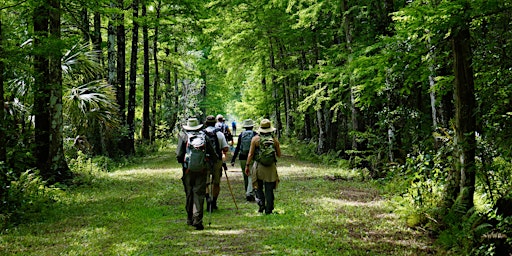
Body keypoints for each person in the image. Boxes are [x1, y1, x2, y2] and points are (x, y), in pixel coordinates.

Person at [176, 117, 218, 230]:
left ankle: (190, 218)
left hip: (187, 170)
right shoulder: (204, 136)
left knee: (189, 192)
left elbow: (179, 155)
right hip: (202, 169)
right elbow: (213, 153)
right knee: (199, 193)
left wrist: (184, 162)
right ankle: (197, 220)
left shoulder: (183, 136)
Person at [245, 119, 282, 214]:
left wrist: (247, 165)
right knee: (269, 188)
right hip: (270, 167)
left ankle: (261, 205)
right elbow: (279, 154)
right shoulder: (274, 140)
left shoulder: (255, 139)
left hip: (259, 166)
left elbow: (250, 154)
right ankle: (269, 209)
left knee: (258, 186)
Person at [203, 115, 229, 211]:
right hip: (217, 160)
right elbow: (225, 148)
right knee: (216, 182)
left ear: (206, 123)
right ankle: (214, 202)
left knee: (205, 182)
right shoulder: (220, 134)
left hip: (205, 160)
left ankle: (207, 199)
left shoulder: (202, 133)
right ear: (215, 123)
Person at [231, 119, 258, 201]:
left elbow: (238, 147)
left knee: (245, 175)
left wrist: (233, 159)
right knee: (251, 175)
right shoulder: (255, 134)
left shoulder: (241, 135)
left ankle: (247, 191)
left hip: (242, 157)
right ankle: (249, 193)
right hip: (252, 157)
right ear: (252, 126)